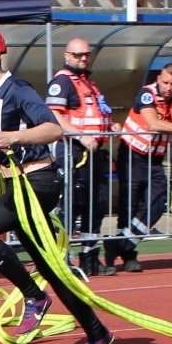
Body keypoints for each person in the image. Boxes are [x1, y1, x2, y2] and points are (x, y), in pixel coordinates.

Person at [0, 24, 114, 344]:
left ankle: (34, 297)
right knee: (50, 266)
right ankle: (97, 333)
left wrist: (12, 137)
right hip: (17, 184)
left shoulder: (17, 89)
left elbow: (52, 128)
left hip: (38, 182)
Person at [45, 37, 119, 277]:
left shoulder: (88, 82)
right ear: (67, 56)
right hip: (73, 153)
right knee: (71, 206)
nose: (83, 59)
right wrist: (80, 136)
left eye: (86, 54)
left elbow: (93, 115)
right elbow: (54, 116)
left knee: (95, 205)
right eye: (78, 55)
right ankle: (62, 260)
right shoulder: (63, 82)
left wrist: (111, 127)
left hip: (94, 154)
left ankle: (89, 257)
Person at [116, 63, 172, 273]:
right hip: (132, 154)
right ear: (159, 79)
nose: (168, 88)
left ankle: (122, 244)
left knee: (159, 201)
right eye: (165, 82)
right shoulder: (146, 94)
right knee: (129, 206)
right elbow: (154, 124)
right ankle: (128, 256)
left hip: (155, 159)